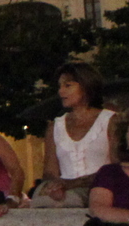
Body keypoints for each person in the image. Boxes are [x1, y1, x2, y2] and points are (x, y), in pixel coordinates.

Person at [31, 62, 115, 205]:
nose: (61, 92)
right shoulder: (55, 126)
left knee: (73, 200)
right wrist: (54, 185)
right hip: (64, 191)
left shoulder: (111, 121)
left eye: (68, 86)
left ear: (86, 86)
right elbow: (50, 171)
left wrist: (75, 183)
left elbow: (116, 167)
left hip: (102, 189)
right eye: (60, 87)